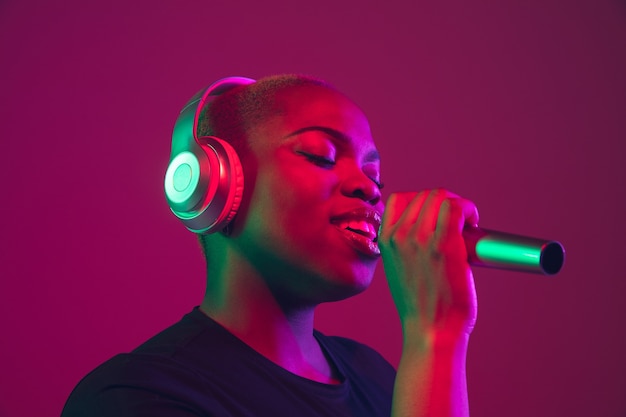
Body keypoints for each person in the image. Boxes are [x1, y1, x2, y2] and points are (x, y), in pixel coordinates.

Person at [62, 74, 479, 416]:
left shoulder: (378, 377)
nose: (368, 189)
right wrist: (433, 337)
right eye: (321, 155)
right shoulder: (133, 396)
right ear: (213, 187)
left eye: (376, 177)